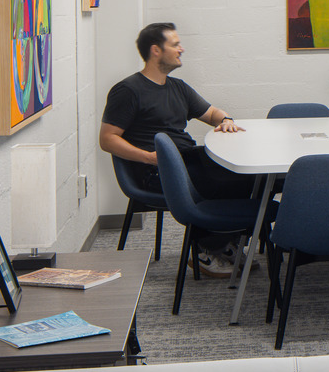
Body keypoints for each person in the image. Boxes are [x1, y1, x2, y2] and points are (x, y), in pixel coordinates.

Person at [100, 22, 256, 276]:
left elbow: (212, 113)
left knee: (246, 177)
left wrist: (226, 120)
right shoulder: (128, 90)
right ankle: (207, 249)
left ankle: (223, 241)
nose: (182, 49)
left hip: (186, 160)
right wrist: (150, 158)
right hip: (155, 171)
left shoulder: (178, 87)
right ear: (156, 51)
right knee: (226, 181)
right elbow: (107, 139)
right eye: (175, 44)